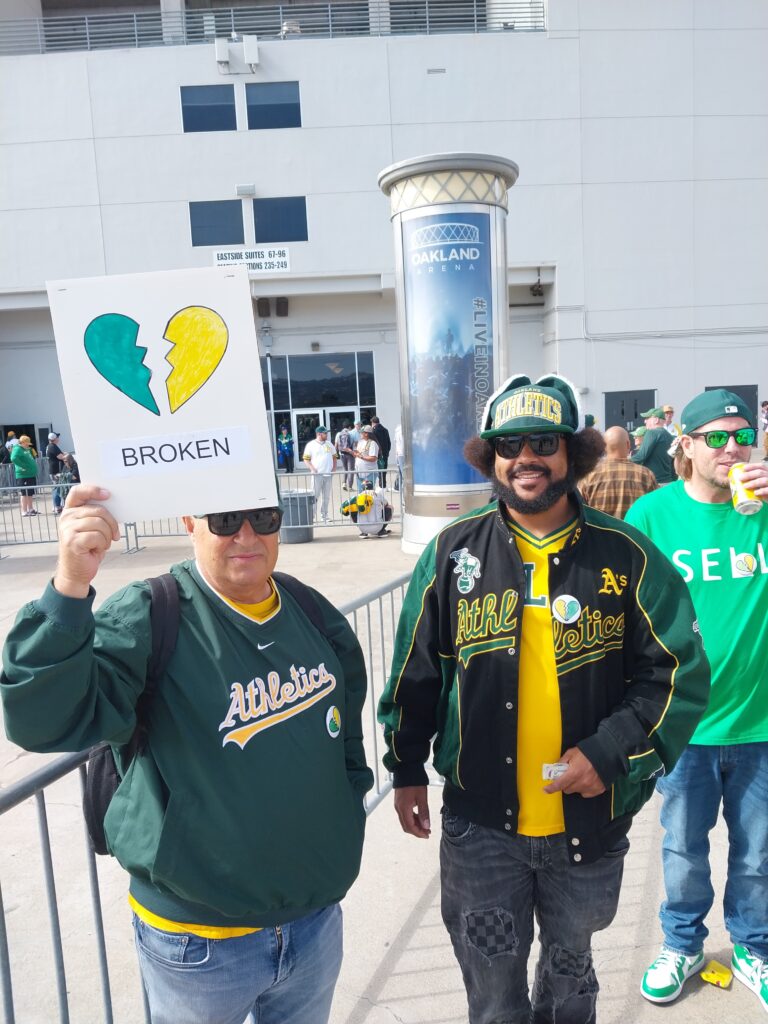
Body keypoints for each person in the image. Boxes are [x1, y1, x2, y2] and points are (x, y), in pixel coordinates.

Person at [377, 373, 709, 1024]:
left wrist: (609, 751)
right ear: (492, 458)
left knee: (570, 984)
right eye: (509, 445)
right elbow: (415, 673)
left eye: (542, 442)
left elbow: (677, 671)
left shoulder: (628, 557)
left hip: (585, 834)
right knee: (495, 999)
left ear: (572, 454)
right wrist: (406, 768)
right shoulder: (451, 554)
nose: (524, 457)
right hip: (482, 836)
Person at [0, 486, 373, 1024]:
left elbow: (347, 737)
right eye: (223, 518)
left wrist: (345, 813)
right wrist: (70, 585)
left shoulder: (310, 610)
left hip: (313, 924)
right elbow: (43, 718)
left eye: (263, 517)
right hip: (198, 948)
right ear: (188, 521)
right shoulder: (153, 613)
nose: (246, 535)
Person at [626, 389, 768, 1013]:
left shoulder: (763, 510)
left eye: (741, 435)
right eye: (715, 436)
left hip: (759, 722)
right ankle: (682, 943)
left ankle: (752, 947)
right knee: (683, 845)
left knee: (758, 852)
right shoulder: (653, 515)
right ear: (683, 445)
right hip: (683, 724)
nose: (732, 446)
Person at [579, 425, 657, 519]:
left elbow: (579, 509)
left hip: (600, 532)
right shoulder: (646, 475)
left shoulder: (588, 475)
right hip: (635, 532)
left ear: (604, 446)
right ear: (628, 444)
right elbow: (656, 509)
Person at [631, 407, 675, 483]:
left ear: (656, 420)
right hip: (668, 481)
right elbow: (673, 462)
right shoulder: (670, 436)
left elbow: (641, 456)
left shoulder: (652, 433)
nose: (645, 421)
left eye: (647, 418)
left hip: (654, 482)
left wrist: (622, 461)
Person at [302, 424, 337, 522]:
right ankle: (311, 516)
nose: (327, 435)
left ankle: (324, 516)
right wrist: (312, 468)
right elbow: (306, 459)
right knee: (314, 496)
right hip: (317, 475)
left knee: (326, 497)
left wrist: (334, 468)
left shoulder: (329, 444)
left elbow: (334, 456)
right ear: (319, 434)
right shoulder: (311, 444)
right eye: (325, 433)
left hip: (328, 475)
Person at [10, 434, 39, 517]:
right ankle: (24, 511)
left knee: (30, 493)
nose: (28, 445)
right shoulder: (17, 449)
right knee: (24, 493)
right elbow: (13, 458)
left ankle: (30, 509)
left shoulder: (26, 449)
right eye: (26, 444)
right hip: (23, 475)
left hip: (30, 474)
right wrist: (23, 466)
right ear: (22, 443)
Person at [46, 431, 66, 514]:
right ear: (54, 439)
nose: (58, 438)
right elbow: (61, 456)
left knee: (57, 488)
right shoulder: (52, 446)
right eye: (57, 437)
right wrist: (68, 457)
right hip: (55, 471)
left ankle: (57, 505)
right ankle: (56, 506)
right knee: (57, 488)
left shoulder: (52, 446)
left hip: (55, 470)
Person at [354, 425, 379, 489]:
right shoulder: (360, 442)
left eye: (361, 432)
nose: (360, 434)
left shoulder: (372, 443)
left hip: (369, 473)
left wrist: (361, 457)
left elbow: (373, 458)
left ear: (366, 434)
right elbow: (358, 453)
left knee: (368, 494)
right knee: (361, 495)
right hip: (359, 473)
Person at [370, 416, 391, 487]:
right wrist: (387, 452)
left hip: (377, 454)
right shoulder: (385, 430)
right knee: (384, 469)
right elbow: (389, 443)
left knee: (378, 470)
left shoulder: (373, 431)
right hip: (385, 453)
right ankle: (383, 484)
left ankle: (380, 485)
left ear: (373, 423)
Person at [334, 422, 356, 490]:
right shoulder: (351, 434)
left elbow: (336, 445)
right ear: (349, 427)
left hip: (342, 454)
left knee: (345, 469)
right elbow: (354, 445)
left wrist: (336, 454)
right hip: (350, 454)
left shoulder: (338, 434)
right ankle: (350, 486)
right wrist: (353, 453)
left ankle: (344, 483)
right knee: (351, 470)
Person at [394, 423, 405, 491]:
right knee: (403, 473)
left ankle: (400, 488)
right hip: (402, 454)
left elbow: (396, 444)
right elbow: (403, 444)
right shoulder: (402, 430)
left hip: (399, 454)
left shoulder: (397, 430)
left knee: (400, 473)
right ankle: (402, 488)